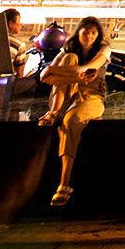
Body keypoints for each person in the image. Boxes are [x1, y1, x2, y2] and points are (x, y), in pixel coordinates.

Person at [38, 17, 110, 205]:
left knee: (71, 121)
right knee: (70, 58)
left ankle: (64, 182)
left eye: (94, 33)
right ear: (78, 32)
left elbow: (89, 68)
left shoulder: (103, 49)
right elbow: (43, 76)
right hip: (68, 92)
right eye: (86, 32)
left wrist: (57, 72)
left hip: (91, 95)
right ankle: (54, 111)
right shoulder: (69, 50)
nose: (89, 36)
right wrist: (77, 76)